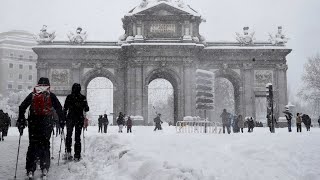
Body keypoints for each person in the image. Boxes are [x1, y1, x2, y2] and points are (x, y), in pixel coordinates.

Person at [17, 77, 64, 179]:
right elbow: (59, 108)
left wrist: (21, 120)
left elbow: (22, 107)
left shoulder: (33, 94)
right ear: (48, 85)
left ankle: (30, 169)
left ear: (38, 85)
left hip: (34, 123)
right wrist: (61, 120)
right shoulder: (50, 95)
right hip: (46, 123)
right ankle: (44, 167)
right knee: (45, 145)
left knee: (32, 145)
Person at [63, 83, 89, 161]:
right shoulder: (83, 97)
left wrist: (63, 118)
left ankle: (68, 152)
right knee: (78, 137)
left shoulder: (69, 97)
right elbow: (87, 109)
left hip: (70, 118)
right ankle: (77, 155)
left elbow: (65, 108)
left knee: (68, 136)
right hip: (79, 118)